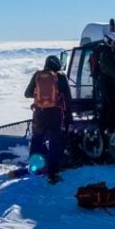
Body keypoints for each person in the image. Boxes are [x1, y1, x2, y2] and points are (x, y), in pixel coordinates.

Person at [24, 54, 73, 184]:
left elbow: (27, 94)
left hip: (39, 114)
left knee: (37, 140)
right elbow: (68, 98)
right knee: (55, 143)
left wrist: (39, 95)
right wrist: (69, 117)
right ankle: (53, 174)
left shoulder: (37, 75)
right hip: (55, 114)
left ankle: (35, 168)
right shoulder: (60, 76)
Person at [95, 31, 115, 133]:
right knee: (111, 102)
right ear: (109, 41)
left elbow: (114, 59)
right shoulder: (105, 51)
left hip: (106, 80)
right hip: (106, 80)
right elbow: (107, 67)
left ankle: (105, 125)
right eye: (114, 43)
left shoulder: (107, 50)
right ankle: (109, 126)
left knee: (108, 103)